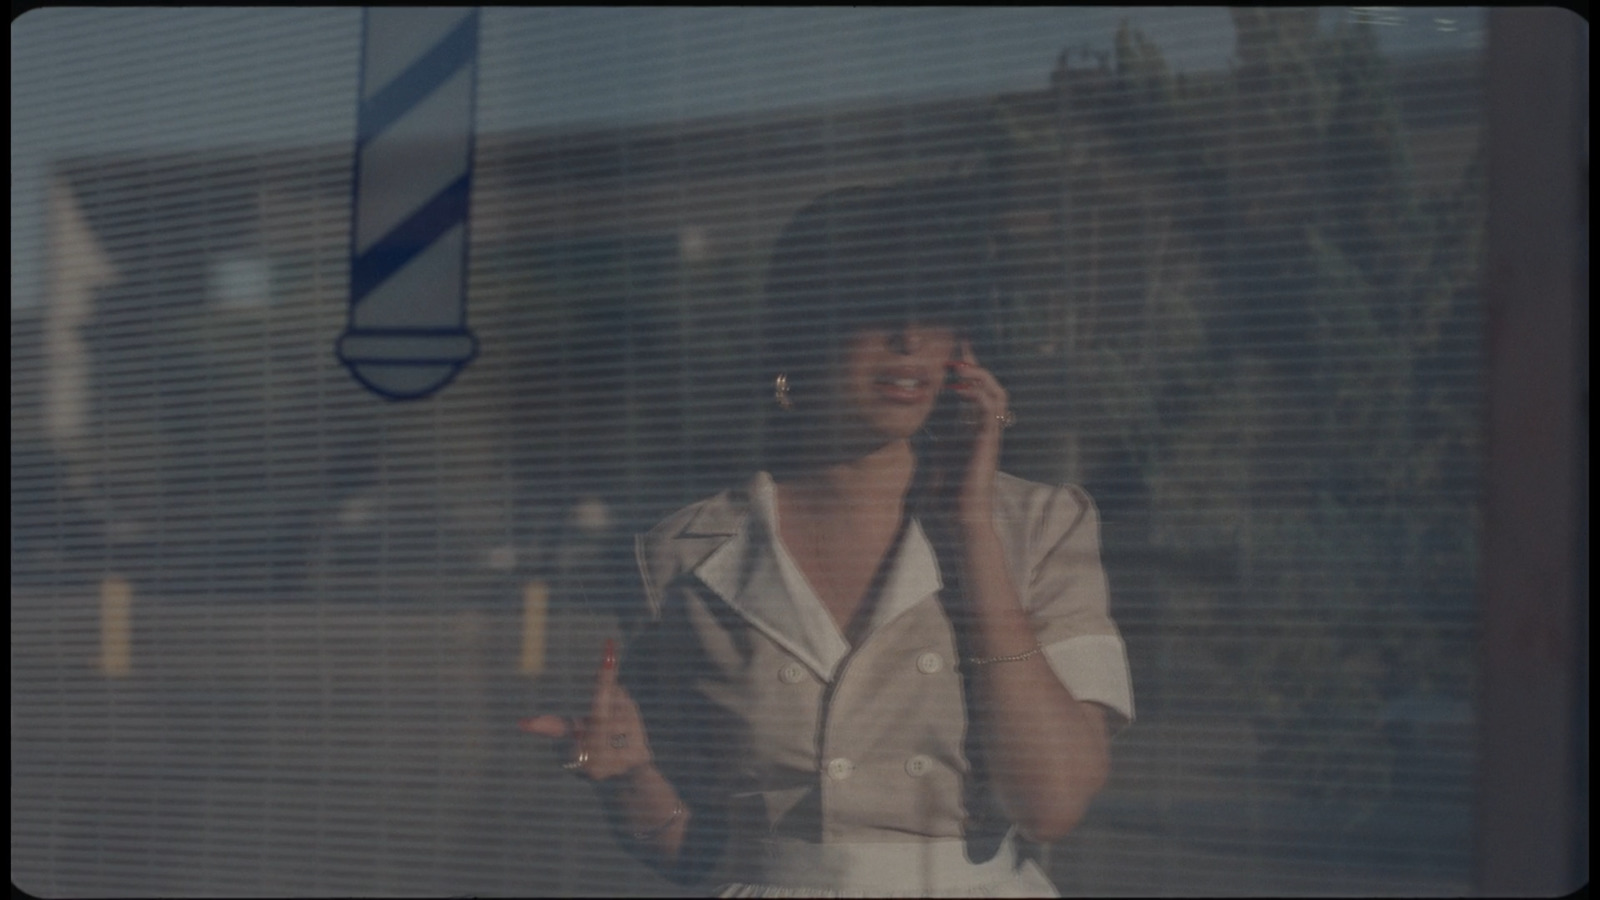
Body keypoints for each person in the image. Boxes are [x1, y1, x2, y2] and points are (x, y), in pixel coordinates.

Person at [522, 180, 1134, 897]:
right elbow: (696, 853)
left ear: (963, 348)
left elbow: (1052, 804)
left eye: (935, 312)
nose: (909, 337)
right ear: (799, 334)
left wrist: (973, 531)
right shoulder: (682, 554)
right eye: (874, 309)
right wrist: (629, 778)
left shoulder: (1042, 526)